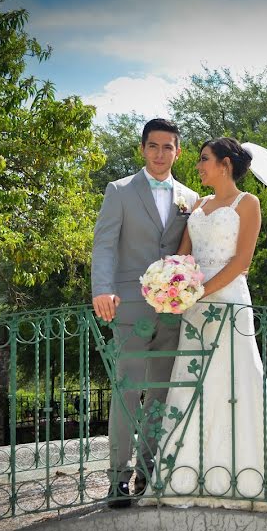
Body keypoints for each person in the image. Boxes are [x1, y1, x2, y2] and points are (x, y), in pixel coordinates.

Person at [149, 138, 267, 510]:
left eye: (204, 159)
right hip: (196, 308)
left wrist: (199, 291)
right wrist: (173, 285)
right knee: (193, 383)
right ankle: (185, 477)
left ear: (226, 164)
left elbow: (241, 262)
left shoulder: (247, 203)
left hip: (229, 302)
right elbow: (183, 256)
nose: (199, 166)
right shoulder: (197, 206)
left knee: (235, 381)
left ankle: (248, 478)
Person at [91, 118, 200, 508]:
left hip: (173, 311)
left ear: (177, 151)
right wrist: (101, 288)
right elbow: (104, 244)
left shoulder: (190, 198)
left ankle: (148, 471)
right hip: (129, 306)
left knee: (160, 394)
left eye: (167, 147)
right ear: (142, 149)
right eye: (153, 146)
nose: (159, 153)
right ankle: (117, 479)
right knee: (126, 392)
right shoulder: (119, 191)